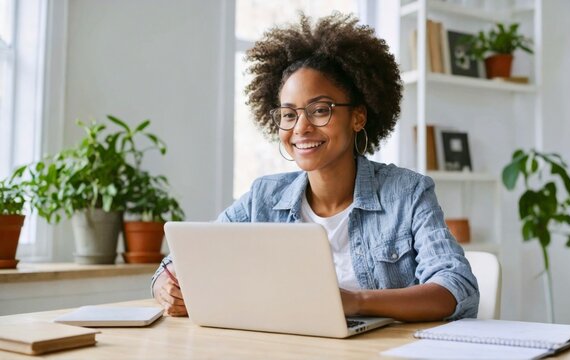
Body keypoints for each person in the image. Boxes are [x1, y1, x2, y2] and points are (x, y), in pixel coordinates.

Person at [152, 13, 479, 321]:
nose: (301, 128)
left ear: (358, 117)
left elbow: (455, 287)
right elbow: (179, 262)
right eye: (289, 114)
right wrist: (164, 288)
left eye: (320, 110)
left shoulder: (407, 194)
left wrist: (355, 302)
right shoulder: (263, 198)